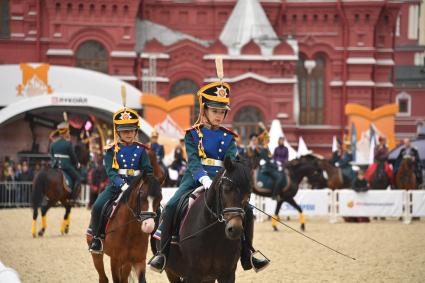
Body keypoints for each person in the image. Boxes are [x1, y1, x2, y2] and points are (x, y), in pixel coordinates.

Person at [149, 79, 270, 273]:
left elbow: (231, 162)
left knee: (246, 210)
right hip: (195, 178)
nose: (219, 115)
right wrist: (204, 179)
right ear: (204, 110)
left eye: (222, 111)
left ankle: (248, 253)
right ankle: (162, 253)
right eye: (215, 111)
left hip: (223, 181)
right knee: (171, 205)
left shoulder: (228, 137)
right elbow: (194, 162)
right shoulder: (192, 134)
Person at [88, 105, 160, 254]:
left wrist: (149, 182)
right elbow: (111, 172)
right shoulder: (111, 150)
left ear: (136, 131)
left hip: (138, 187)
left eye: (131, 130)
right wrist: (122, 186)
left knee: (157, 210)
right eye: (125, 130)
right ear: (118, 132)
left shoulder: (141, 150)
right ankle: (98, 238)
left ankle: (155, 243)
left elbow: (148, 170)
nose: (128, 133)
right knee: (97, 206)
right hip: (116, 186)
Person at [49, 120, 81, 200]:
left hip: (55, 166)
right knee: (78, 178)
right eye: (68, 131)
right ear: (65, 132)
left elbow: (52, 156)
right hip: (65, 166)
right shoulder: (68, 143)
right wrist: (77, 164)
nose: (69, 133)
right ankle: (72, 197)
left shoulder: (53, 143)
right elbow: (73, 157)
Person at [257, 126, 284, 200]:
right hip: (267, 168)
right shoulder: (263, 149)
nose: (267, 141)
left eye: (267, 140)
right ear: (263, 141)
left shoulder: (267, 148)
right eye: (266, 140)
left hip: (270, 166)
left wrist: (276, 163)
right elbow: (267, 160)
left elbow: (271, 159)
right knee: (279, 177)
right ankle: (274, 195)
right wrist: (275, 165)